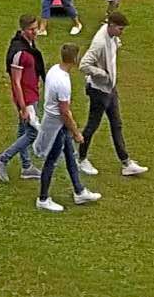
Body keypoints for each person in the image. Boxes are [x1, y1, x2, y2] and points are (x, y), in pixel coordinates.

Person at [77, 11, 147, 178]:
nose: (121, 32)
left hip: (109, 89)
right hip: (99, 91)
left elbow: (114, 43)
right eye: (120, 29)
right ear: (111, 26)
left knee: (117, 124)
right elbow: (84, 65)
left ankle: (126, 162)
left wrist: (117, 42)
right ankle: (81, 158)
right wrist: (101, 74)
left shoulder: (111, 36)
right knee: (92, 126)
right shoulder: (99, 43)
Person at [33, 42, 98, 212]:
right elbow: (64, 112)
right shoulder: (63, 83)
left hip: (55, 122)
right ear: (75, 59)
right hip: (56, 125)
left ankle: (79, 190)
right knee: (51, 161)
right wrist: (76, 132)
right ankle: (43, 198)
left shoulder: (54, 70)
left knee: (70, 155)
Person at [0, 15, 47, 183]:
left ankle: (27, 167)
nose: (35, 32)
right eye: (31, 29)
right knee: (32, 132)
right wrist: (23, 107)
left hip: (32, 94)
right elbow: (15, 82)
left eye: (36, 28)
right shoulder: (19, 52)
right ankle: (2, 159)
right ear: (23, 30)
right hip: (26, 98)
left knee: (23, 130)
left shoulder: (29, 45)